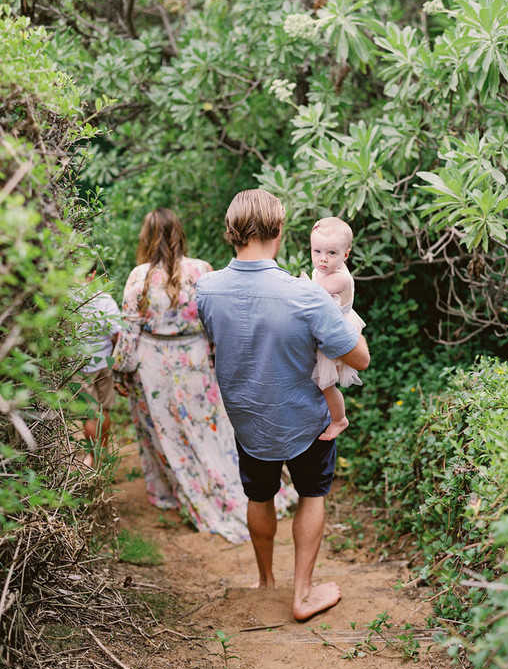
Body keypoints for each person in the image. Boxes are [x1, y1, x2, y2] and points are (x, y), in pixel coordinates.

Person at [196, 189, 370, 621]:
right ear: (279, 231)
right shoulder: (305, 294)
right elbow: (359, 358)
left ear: (232, 232)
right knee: (311, 494)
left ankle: (265, 581)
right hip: (305, 420)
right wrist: (346, 317)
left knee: (260, 494)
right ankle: (303, 593)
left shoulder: (207, 289)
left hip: (248, 419)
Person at [113, 208, 275, 543]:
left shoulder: (138, 276)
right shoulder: (201, 270)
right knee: (212, 428)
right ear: (179, 234)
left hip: (152, 364)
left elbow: (129, 331)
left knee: (164, 432)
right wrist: (221, 361)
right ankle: (235, 489)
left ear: (146, 237)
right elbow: (217, 324)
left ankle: (172, 493)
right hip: (197, 362)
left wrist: (121, 370)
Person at [309, 217, 366, 442]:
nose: (323, 258)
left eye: (332, 253)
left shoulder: (339, 278)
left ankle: (339, 419)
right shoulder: (324, 268)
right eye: (317, 251)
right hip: (326, 323)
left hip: (337, 330)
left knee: (326, 384)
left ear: (346, 255)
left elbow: (308, 292)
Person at [75, 262, 121, 468]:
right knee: (104, 411)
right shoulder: (105, 300)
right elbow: (117, 336)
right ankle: (101, 453)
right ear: (93, 274)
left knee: (91, 414)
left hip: (81, 367)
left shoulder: (67, 301)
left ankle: (92, 457)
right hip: (104, 363)